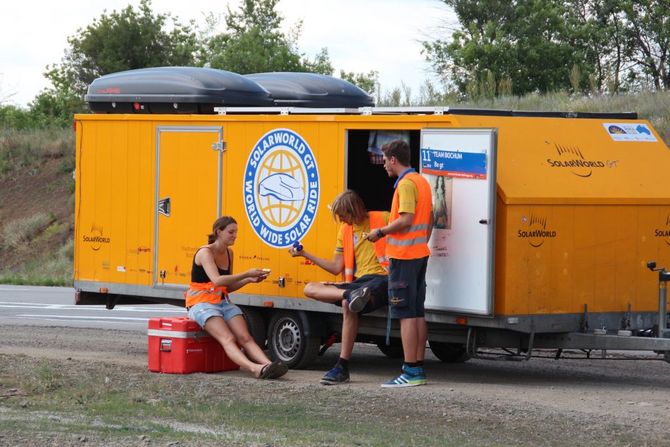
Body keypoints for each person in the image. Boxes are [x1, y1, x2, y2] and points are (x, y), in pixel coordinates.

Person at [289, 190, 389, 385]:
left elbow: (408, 225)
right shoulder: (345, 230)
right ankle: (351, 294)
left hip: (383, 277)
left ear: (354, 209)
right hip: (357, 283)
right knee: (310, 288)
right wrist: (305, 254)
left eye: (343, 215)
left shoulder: (382, 218)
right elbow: (336, 267)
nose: (341, 219)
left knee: (347, 304)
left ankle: (342, 366)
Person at [186, 216, 288, 379]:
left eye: (236, 232)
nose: (235, 236)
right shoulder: (205, 252)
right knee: (228, 338)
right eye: (231, 232)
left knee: (245, 337)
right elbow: (217, 280)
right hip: (201, 303)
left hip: (222, 301)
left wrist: (248, 280)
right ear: (218, 232)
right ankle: (254, 368)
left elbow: (227, 287)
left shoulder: (229, 253)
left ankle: (269, 365)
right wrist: (247, 273)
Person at [367, 139, 433, 388]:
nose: (383, 165)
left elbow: (405, 220)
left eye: (384, 160)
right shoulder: (422, 181)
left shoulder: (405, 185)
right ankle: (418, 367)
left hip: (404, 257)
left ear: (393, 160)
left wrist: (380, 232)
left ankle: (410, 370)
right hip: (418, 254)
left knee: (405, 315)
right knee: (417, 313)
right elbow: (430, 218)